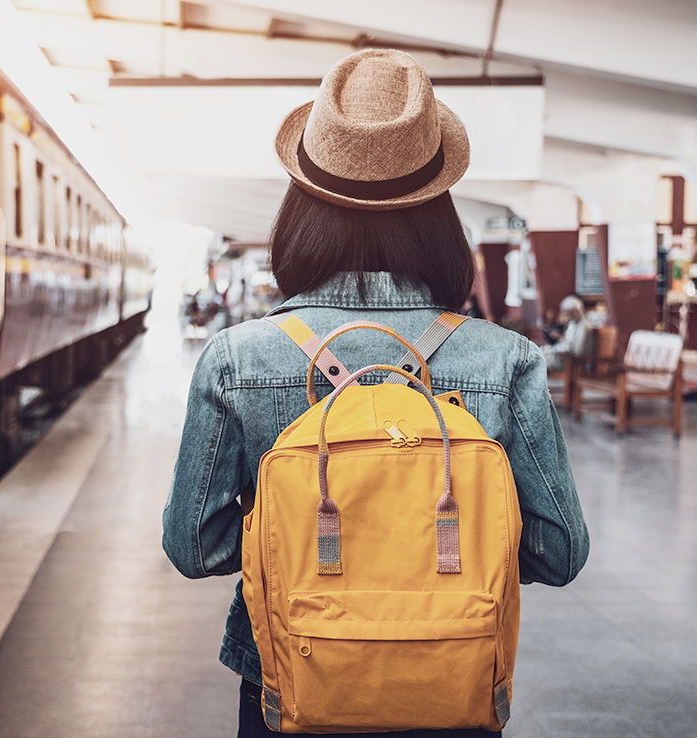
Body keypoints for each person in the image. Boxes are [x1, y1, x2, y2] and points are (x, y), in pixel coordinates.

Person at [162, 49, 589, 738]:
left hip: (289, 683)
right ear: (440, 212)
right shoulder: (505, 360)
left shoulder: (238, 358)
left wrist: (290, 539)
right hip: (450, 683)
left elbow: (194, 546)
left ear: (300, 208)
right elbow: (558, 552)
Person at [541, 294, 592, 371]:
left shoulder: (584, 327)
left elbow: (578, 351)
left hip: (573, 361)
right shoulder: (572, 323)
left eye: (567, 313)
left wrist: (560, 338)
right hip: (565, 355)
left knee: (538, 358)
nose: (565, 315)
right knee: (538, 352)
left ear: (576, 312)